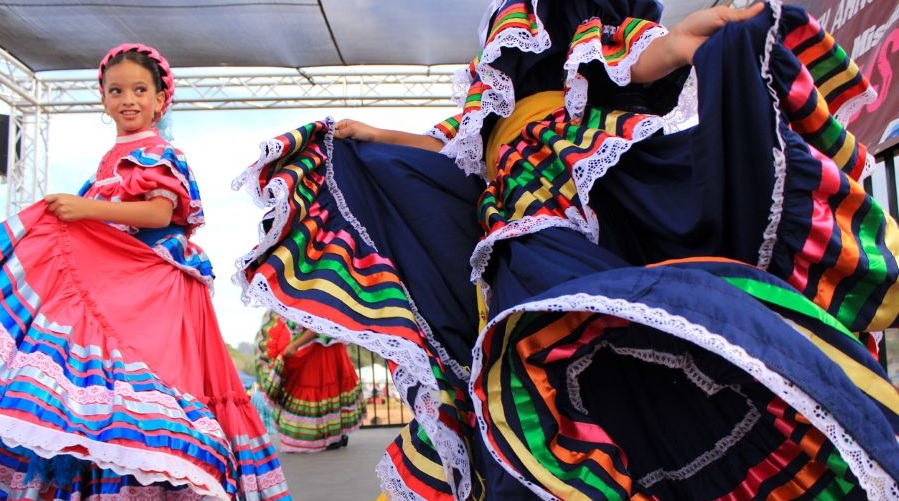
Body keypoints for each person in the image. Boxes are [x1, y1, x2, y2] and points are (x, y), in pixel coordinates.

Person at [234, 1, 899, 500]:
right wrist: (376, 134)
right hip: (500, 204)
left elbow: (628, 53)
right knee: (511, 349)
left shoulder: (561, 5)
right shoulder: (497, 43)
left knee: (558, 314)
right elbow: (463, 143)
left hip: (558, 184)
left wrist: (677, 46)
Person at [0, 44, 291, 500]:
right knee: (111, 382)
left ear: (160, 100)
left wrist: (82, 208)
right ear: (103, 99)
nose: (128, 100)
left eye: (139, 89)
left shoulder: (160, 152)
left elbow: (158, 212)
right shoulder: (109, 161)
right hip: (119, 281)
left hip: (155, 283)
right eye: (116, 91)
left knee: (154, 382)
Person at [254, 310, 365, 453]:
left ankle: (330, 437)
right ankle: (334, 436)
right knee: (327, 393)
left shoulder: (314, 291)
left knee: (317, 391)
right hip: (324, 346)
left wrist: (295, 345)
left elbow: (318, 322)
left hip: (319, 348)